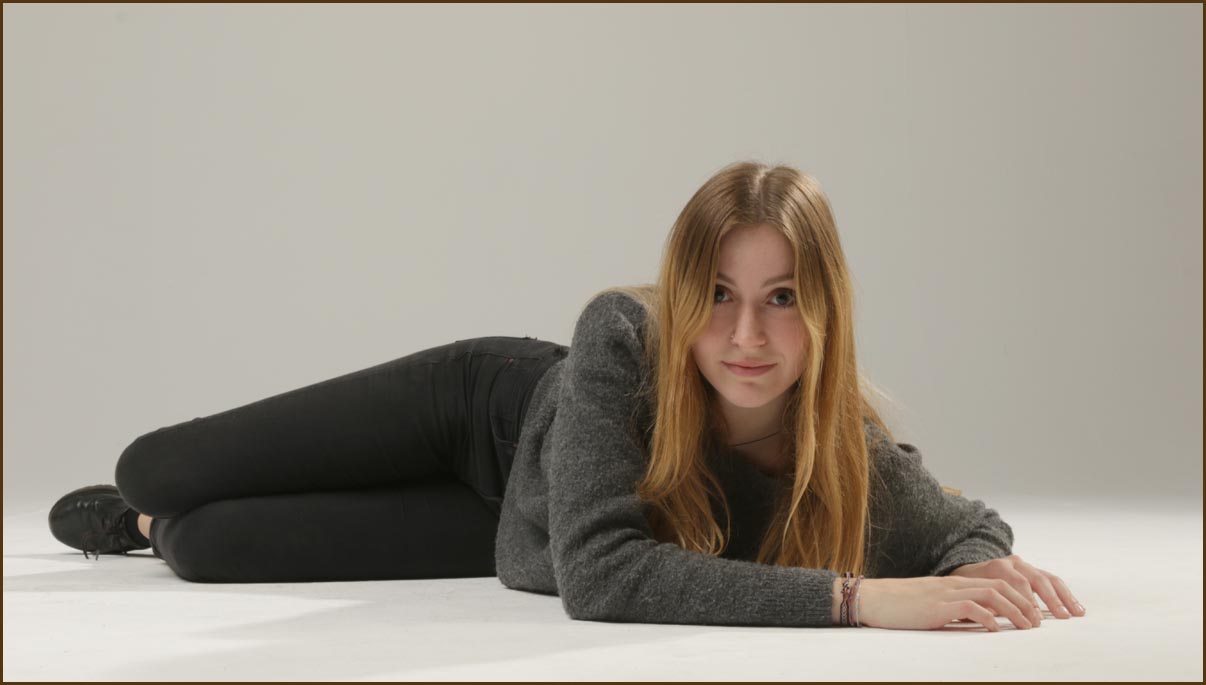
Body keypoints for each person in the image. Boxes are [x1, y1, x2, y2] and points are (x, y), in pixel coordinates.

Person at [48, 160, 1086, 631]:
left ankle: (138, 532)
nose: (746, 337)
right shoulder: (620, 338)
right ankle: (140, 499)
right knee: (158, 468)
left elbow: (963, 525)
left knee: (204, 546)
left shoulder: (841, 449)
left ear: (825, 313)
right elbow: (600, 579)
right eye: (718, 295)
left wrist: (975, 568)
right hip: (490, 416)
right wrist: (856, 600)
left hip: (526, 523)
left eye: (781, 299)